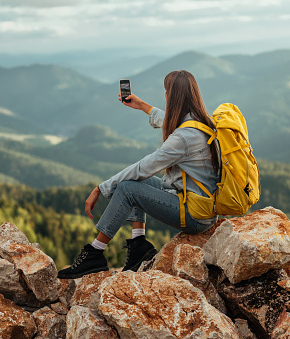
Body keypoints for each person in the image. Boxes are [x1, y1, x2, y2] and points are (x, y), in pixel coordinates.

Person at [57, 70, 220, 280]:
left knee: (127, 187)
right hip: (202, 206)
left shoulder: (184, 138)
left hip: (194, 215)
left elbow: (144, 167)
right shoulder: (200, 121)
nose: (165, 95)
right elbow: (171, 121)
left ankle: (95, 253)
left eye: (166, 91)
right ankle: (138, 246)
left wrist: (101, 188)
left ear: (172, 95)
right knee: (136, 182)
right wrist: (142, 106)